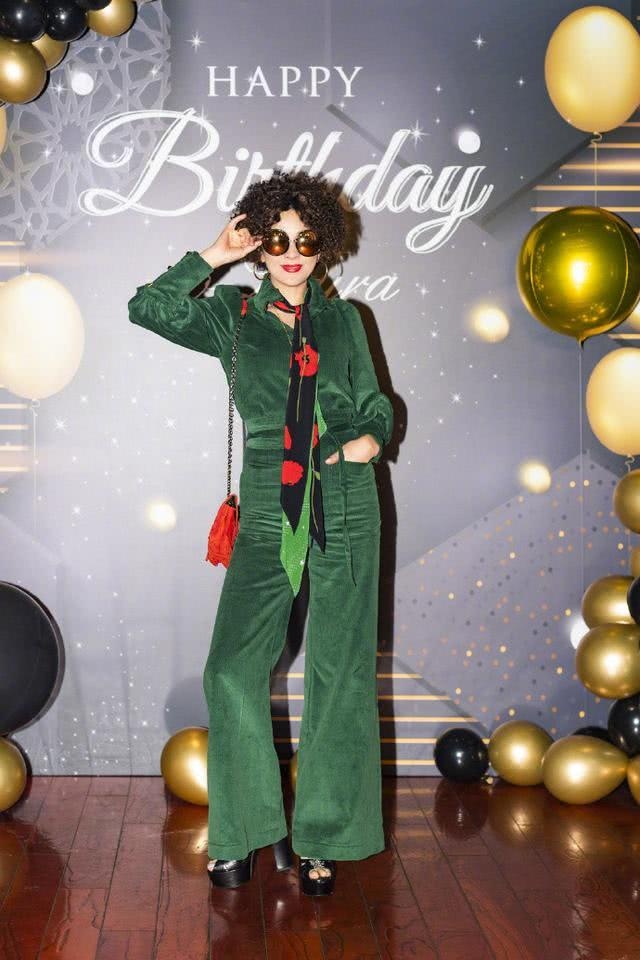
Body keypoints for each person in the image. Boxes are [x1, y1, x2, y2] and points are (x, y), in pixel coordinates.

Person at [127, 170, 394, 897]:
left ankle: (322, 839)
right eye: (276, 240)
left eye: (306, 241)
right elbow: (147, 308)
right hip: (269, 506)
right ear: (259, 244)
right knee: (231, 669)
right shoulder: (233, 316)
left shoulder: (346, 321)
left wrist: (367, 441)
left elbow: (375, 404)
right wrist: (214, 253)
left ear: (324, 246)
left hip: (345, 502)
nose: (292, 254)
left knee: (339, 671)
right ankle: (245, 829)